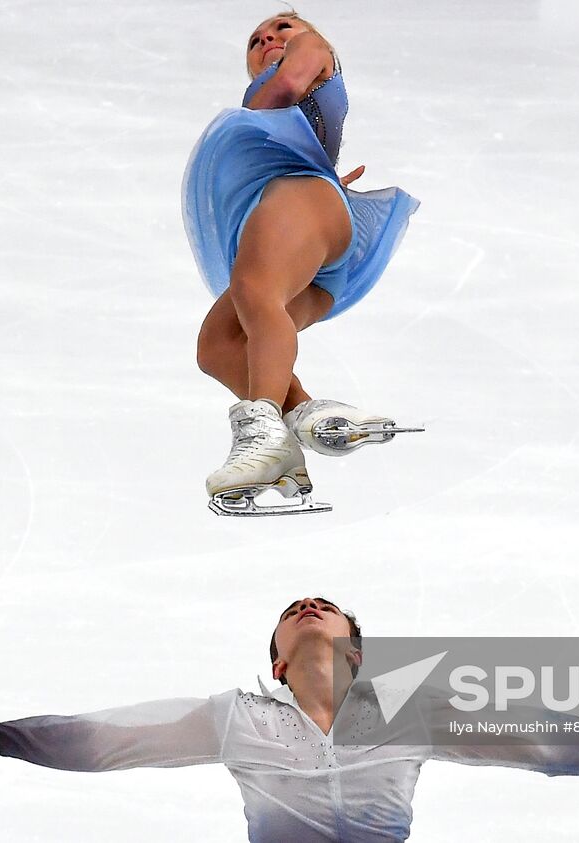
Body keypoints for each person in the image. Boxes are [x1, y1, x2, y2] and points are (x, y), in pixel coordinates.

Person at [0, 597, 579, 842]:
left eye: (329, 608)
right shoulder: (234, 717)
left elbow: (538, 736)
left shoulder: (414, 712)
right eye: (294, 610)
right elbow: (110, 739)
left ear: (356, 652)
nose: (311, 606)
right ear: (276, 658)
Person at [183, 12, 424, 516]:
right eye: (255, 41)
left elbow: (286, 87)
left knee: (256, 295)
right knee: (220, 345)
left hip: (299, 198)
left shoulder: (312, 50)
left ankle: (266, 438)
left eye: (280, 30)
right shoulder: (286, 118)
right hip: (306, 224)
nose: (268, 38)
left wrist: (263, 95)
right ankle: (308, 417)